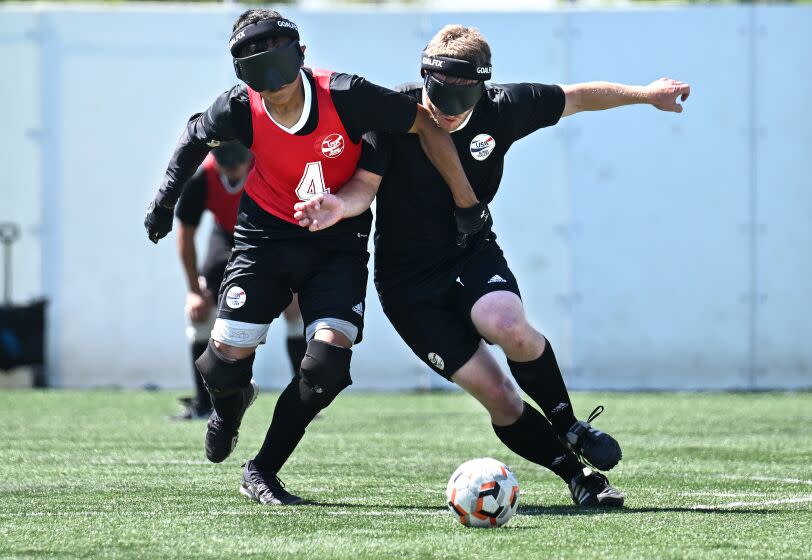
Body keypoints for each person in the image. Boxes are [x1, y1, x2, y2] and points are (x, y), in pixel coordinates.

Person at [295, 24, 691, 508]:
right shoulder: (394, 114)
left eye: (463, 95)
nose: (447, 105)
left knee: (506, 324)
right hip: (407, 286)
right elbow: (364, 185)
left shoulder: (505, 107)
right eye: (439, 91)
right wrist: (339, 206)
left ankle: (568, 422)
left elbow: (579, 97)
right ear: (425, 77)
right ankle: (577, 475)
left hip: (471, 253)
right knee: (499, 396)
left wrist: (647, 95)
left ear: (482, 85)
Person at [143, 10, 487, 505]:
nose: (272, 82)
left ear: (301, 56)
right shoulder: (239, 107)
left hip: (337, 242)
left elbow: (425, 125)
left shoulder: (347, 96)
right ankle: (230, 401)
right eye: (255, 65)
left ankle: (261, 470)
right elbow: (195, 136)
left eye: (276, 59)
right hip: (265, 236)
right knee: (220, 364)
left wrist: (466, 203)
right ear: (243, 72)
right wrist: (164, 201)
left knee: (326, 365)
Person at [171, 143, 307, 420]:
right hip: (227, 237)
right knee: (200, 309)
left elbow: (296, 217)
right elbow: (185, 233)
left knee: (294, 307)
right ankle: (203, 403)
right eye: (226, 162)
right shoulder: (202, 178)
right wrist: (194, 291)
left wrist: (295, 276)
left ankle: (305, 397)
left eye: (238, 161)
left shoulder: (269, 168)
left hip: (270, 236)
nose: (232, 168)